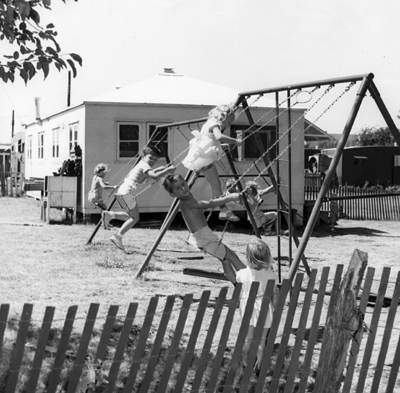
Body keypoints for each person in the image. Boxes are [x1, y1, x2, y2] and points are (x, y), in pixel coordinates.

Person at [162, 174, 246, 284]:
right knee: (233, 257)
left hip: (201, 236)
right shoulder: (186, 202)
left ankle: (238, 285)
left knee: (225, 260)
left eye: (183, 184)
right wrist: (230, 197)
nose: (183, 188)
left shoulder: (187, 197)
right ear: (172, 194)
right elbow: (209, 204)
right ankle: (252, 282)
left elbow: (206, 204)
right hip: (204, 237)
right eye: (178, 188)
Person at [103, 145, 175, 251]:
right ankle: (117, 236)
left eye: (155, 160)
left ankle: (110, 214)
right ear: (143, 156)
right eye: (150, 158)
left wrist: (160, 169)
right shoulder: (144, 166)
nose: (152, 161)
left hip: (122, 192)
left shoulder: (141, 165)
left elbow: (149, 174)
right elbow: (154, 176)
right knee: (135, 218)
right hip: (128, 192)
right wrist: (168, 169)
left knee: (130, 216)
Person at [182, 103, 243, 222]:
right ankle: (224, 210)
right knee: (216, 185)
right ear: (223, 117)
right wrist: (235, 141)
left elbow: (210, 140)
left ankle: (224, 210)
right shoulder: (215, 125)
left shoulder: (207, 124)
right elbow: (219, 137)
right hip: (205, 158)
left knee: (215, 185)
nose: (228, 125)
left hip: (200, 158)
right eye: (229, 122)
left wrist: (222, 146)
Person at [235, 238, 278, 369]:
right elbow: (275, 294)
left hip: (249, 307)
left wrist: (240, 306)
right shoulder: (271, 274)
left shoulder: (242, 274)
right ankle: (260, 367)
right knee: (261, 341)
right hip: (264, 308)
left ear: (248, 257)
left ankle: (246, 363)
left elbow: (240, 292)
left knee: (248, 339)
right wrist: (275, 309)